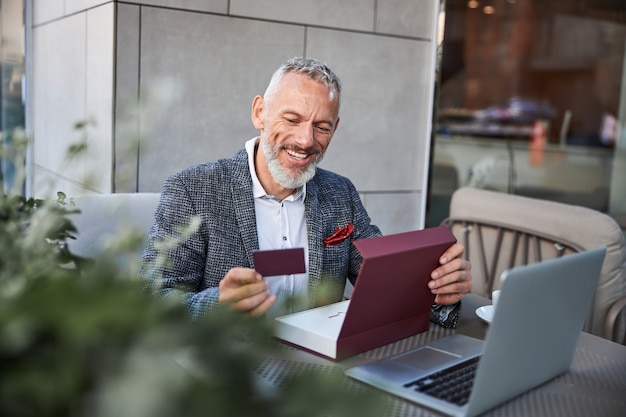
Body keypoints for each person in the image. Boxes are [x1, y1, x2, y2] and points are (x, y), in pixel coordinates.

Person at [141, 57, 472, 326]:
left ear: (335, 128)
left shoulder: (340, 194)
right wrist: (216, 305)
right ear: (260, 112)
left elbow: (386, 287)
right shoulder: (193, 190)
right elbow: (149, 301)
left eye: (321, 127)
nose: (305, 141)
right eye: (292, 119)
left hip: (319, 375)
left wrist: (439, 289)